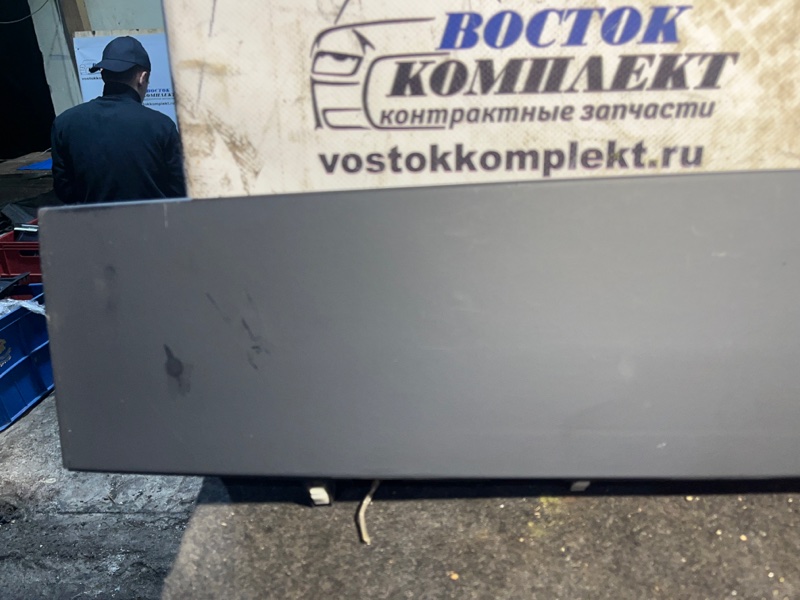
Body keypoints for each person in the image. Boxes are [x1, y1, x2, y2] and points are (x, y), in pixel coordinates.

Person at [51, 36, 186, 204]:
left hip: (91, 220)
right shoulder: (161, 126)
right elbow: (179, 189)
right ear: (142, 77)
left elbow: (64, 190)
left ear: (103, 75)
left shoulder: (64, 124)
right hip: (154, 220)